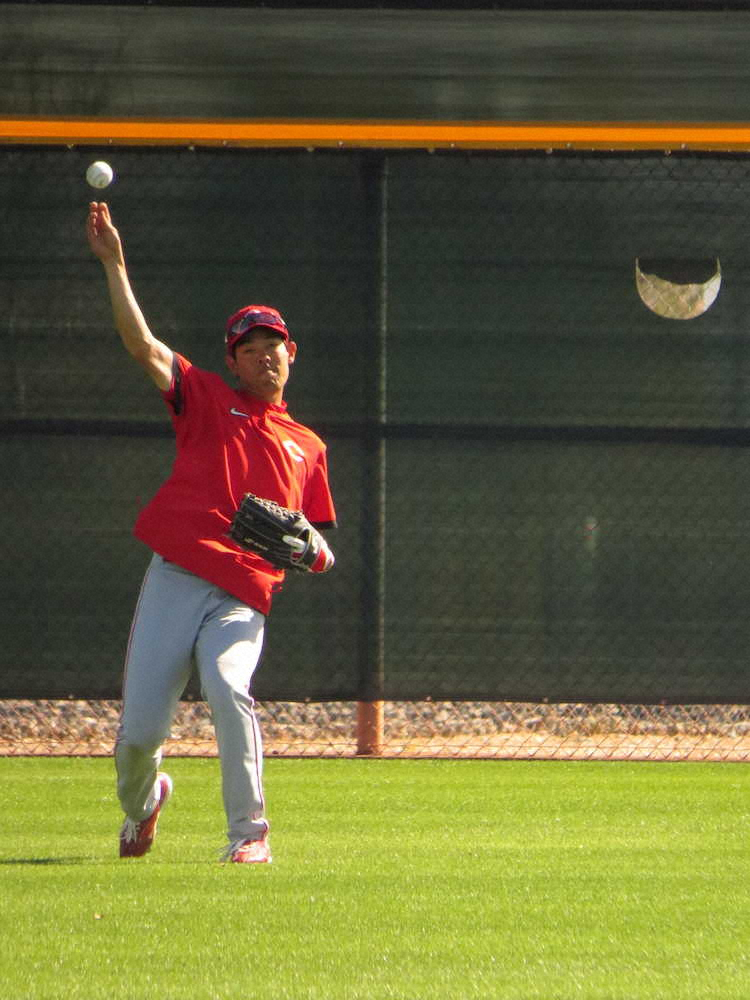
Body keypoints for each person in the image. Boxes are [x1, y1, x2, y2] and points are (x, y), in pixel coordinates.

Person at [86, 201, 337, 864]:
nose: (264, 357)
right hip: (176, 577)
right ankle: (144, 807)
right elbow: (141, 345)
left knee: (229, 686)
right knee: (138, 736)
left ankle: (250, 836)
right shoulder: (203, 399)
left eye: (273, 346)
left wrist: (314, 549)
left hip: (242, 596)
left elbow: (317, 542)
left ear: (292, 353)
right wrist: (115, 263)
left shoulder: (306, 446)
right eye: (249, 349)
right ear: (232, 360)